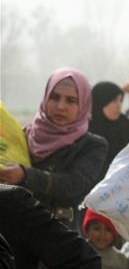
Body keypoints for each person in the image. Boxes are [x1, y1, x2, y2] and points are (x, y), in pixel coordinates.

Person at [0, 68, 108, 230]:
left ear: (84, 104)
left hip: (58, 238)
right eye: (54, 97)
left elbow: (73, 184)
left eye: (71, 100)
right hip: (15, 234)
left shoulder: (91, 145)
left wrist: (24, 174)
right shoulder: (24, 135)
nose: (60, 106)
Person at [89, 81, 129, 173]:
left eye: (121, 100)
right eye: (114, 101)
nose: (119, 106)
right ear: (101, 101)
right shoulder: (85, 128)